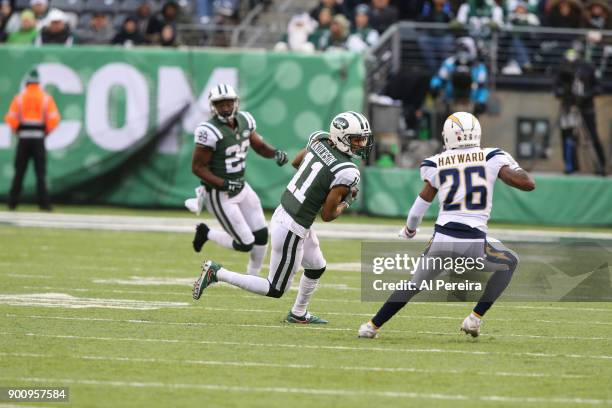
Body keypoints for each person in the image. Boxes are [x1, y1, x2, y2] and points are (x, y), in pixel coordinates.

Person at [358, 112, 536, 339]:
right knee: (510, 262)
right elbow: (527, 183)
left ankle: (371, 327)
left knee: (413, 285)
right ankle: (474, 319)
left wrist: (410, 230)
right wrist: (511, 166)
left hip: (442, 239)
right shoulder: (492, 157)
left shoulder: (436, 162)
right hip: (473, 242)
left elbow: (419, 206)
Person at [193, 111, 373, 324]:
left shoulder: (320, 140)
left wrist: (318, 185)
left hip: (286, 212)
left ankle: (298, 313)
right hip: (293, 226)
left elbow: (297, 162)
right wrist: (347, 202)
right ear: (341, 138)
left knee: (316, 266)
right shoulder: (347, 170)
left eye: (363, 139)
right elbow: (327, 214)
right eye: (356, 139)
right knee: (275, 288)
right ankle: (218, 273)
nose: (361, 144)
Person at [189, 84, 288, 281]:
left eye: (228, 102)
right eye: (220, 104)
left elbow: (259, 146)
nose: (225, 107)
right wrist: (224, 184)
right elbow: (198, 168)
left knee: (261, 235)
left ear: (236, 103)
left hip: (241, 186)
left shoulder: (245, 120)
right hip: (219, 193)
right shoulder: (208, 130)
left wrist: (274, 153)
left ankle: (253, 277)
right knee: (245, 243)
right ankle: (206, 232)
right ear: (212, 106)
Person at [4, 69, 61, 211]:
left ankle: (12, 203)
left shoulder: (19, 98)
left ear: (27, 82)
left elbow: (10, 119)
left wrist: (18, 130)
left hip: (23, 139)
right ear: (39, 83)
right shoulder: (46, 98)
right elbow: (54, 120)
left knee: (19, 172)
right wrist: (45, 132)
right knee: (40, 173)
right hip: (38, 139)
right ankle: (44, 204)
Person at [554, 48, 606, 175]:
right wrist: (562, 92)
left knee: (592, 136)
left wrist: (586, 95)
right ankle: (571, 166)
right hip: (569, 108)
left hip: (586, 108)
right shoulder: (562, 69)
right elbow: (557, 87)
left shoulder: (588, 68)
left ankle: (600, 165)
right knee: (568, 136)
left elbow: (598, 87)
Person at [430, 37, 489, 115]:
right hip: (450, 102)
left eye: (466, 49)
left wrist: (481, 101)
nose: (463, 52)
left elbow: (482, 87)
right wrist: (434, 87)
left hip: (470, 103)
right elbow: (440, 78)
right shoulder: (449, 63)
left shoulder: (479, 67)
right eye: (461, 49)